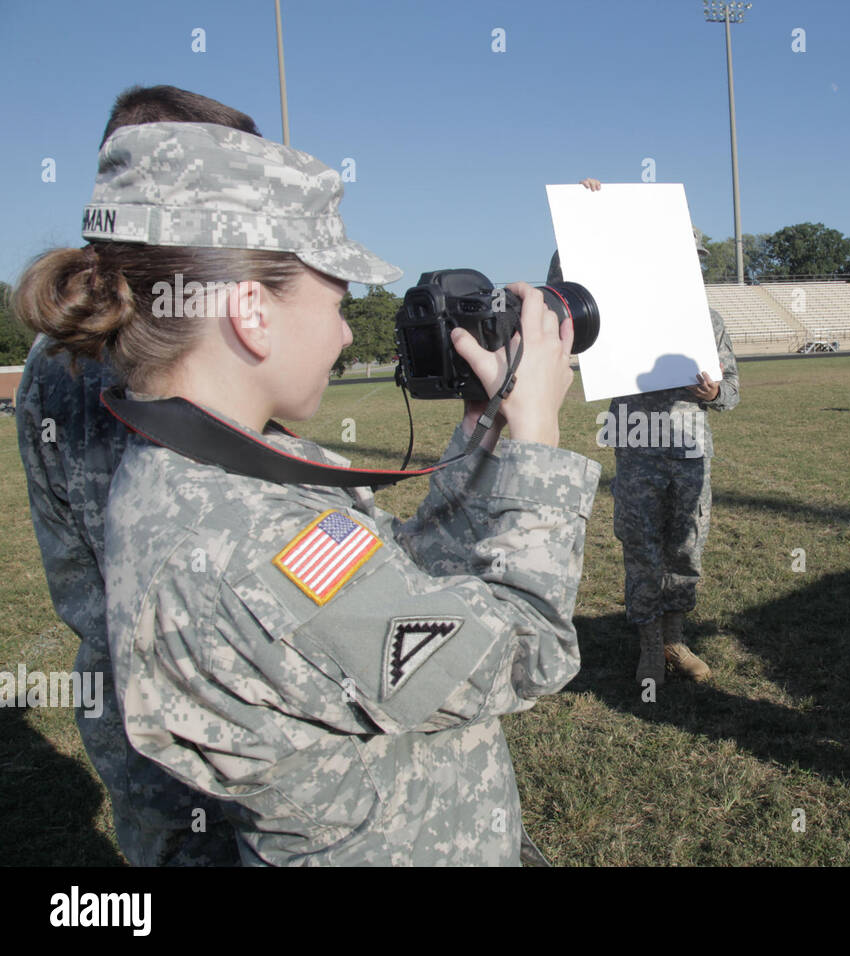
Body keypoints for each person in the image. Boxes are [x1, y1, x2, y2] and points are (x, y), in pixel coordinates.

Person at [15, 120, 598, 865]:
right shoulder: (243, 540)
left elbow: (405, 590)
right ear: (252, 314)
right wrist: (539, 443)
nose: (348, 335)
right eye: (336, 302)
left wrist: (487, 434)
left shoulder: (214, 467)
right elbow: (523, 650)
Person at [14, 85, 268, 866]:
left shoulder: (59, 354)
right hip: (215, 712)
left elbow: (75, 577)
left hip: (138, 709)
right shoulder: (157, 347)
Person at [548, 179, 739, 687]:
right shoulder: (617, 314)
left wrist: (713, 393)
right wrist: (585, 221)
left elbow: (735, 390)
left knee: (686, 546)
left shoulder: (710, 321)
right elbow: (561, 299)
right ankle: (650, 646)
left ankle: (676, 638)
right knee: (642, 546)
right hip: (636, 443)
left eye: (697, 258)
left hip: (690, 447)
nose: (690, 264)